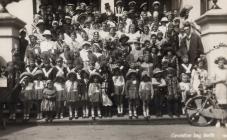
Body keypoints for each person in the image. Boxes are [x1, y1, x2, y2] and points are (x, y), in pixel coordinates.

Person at [211, 57, 227, 127]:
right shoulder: (215, 70)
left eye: (222, 62)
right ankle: (218, 121)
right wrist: (219, 80)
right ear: (217, 63)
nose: (221, 63)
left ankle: (225, 121)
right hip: (218, 88)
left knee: (225, 105)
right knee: (218, 105)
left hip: (225, 88)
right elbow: (212, 81)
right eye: (220, 62)